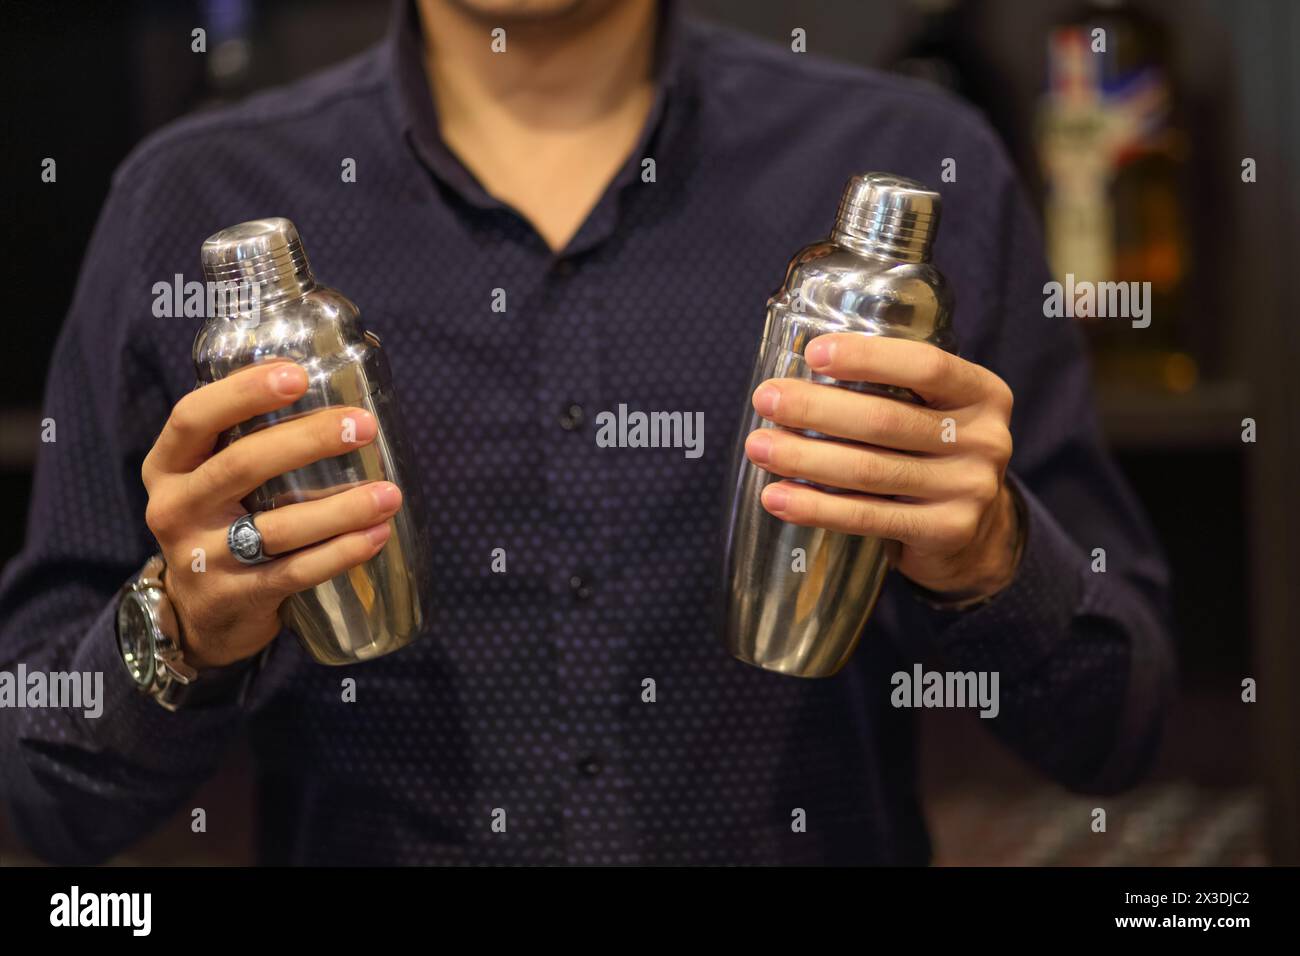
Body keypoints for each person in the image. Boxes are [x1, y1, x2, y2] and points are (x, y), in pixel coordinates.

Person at [0, 0, 1173, 865]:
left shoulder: (922, 167)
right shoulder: (188, 201)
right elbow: (37, 781)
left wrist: (994, 561)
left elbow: (1120, 724)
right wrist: (183, 631)